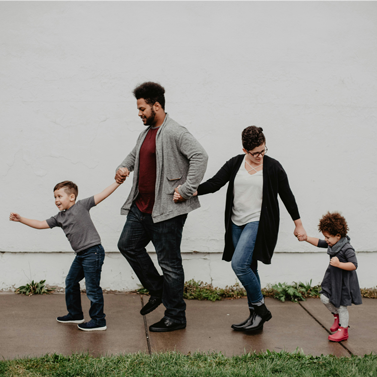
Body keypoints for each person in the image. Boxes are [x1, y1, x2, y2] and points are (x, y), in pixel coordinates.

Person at [174, 126, 306, 333]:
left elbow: (287, 195)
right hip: (236, 223)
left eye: (263, 151)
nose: (260, 156)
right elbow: (215, 183)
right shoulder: (236, 163)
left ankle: (261, 309)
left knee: (239, 265)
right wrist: (188, 192)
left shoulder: (273, 167)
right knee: (250, 267)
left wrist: (298, 224)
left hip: (258, 222)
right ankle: (255, 319)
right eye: (255, 153)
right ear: (245, 150)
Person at [116, 82, 208, 332]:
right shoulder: (146, 133)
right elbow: (135, 155)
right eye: (138, 108)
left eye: (142, 108)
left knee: (170, 263)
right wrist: (123, 167)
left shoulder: (175, 132)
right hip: (141, 207)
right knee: (127, 245)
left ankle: (176, 316)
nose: (139, 113)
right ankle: (158, 291)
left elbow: (200, 156)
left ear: (156, 106)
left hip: (166, 211)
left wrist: (187, 189)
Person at [9, 180, 122, 331]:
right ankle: (75, 314)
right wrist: (21, 219)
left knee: (92, 288)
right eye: (54, 197)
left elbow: (103, 194)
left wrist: (118, 182)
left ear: (72, 197)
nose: (56, 200)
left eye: (59, 196)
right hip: (81, 255)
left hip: (93, 252)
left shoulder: (82, 205)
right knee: (71, 281)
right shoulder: (59, 217)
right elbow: (40, 224)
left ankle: (98, 320)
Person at [302, 212, 362, 342]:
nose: (326, 240)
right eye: (325, 237)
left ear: (338, 236)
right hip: (333, 279)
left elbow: (354, 265)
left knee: (341, 306)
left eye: (328, 237)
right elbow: (319, 243)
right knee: (324, 297)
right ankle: (337, 317)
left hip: (344, 282)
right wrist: (306, 238)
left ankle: (343, 330)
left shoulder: (347, 248)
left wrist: (339, 264)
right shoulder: (333, 243)